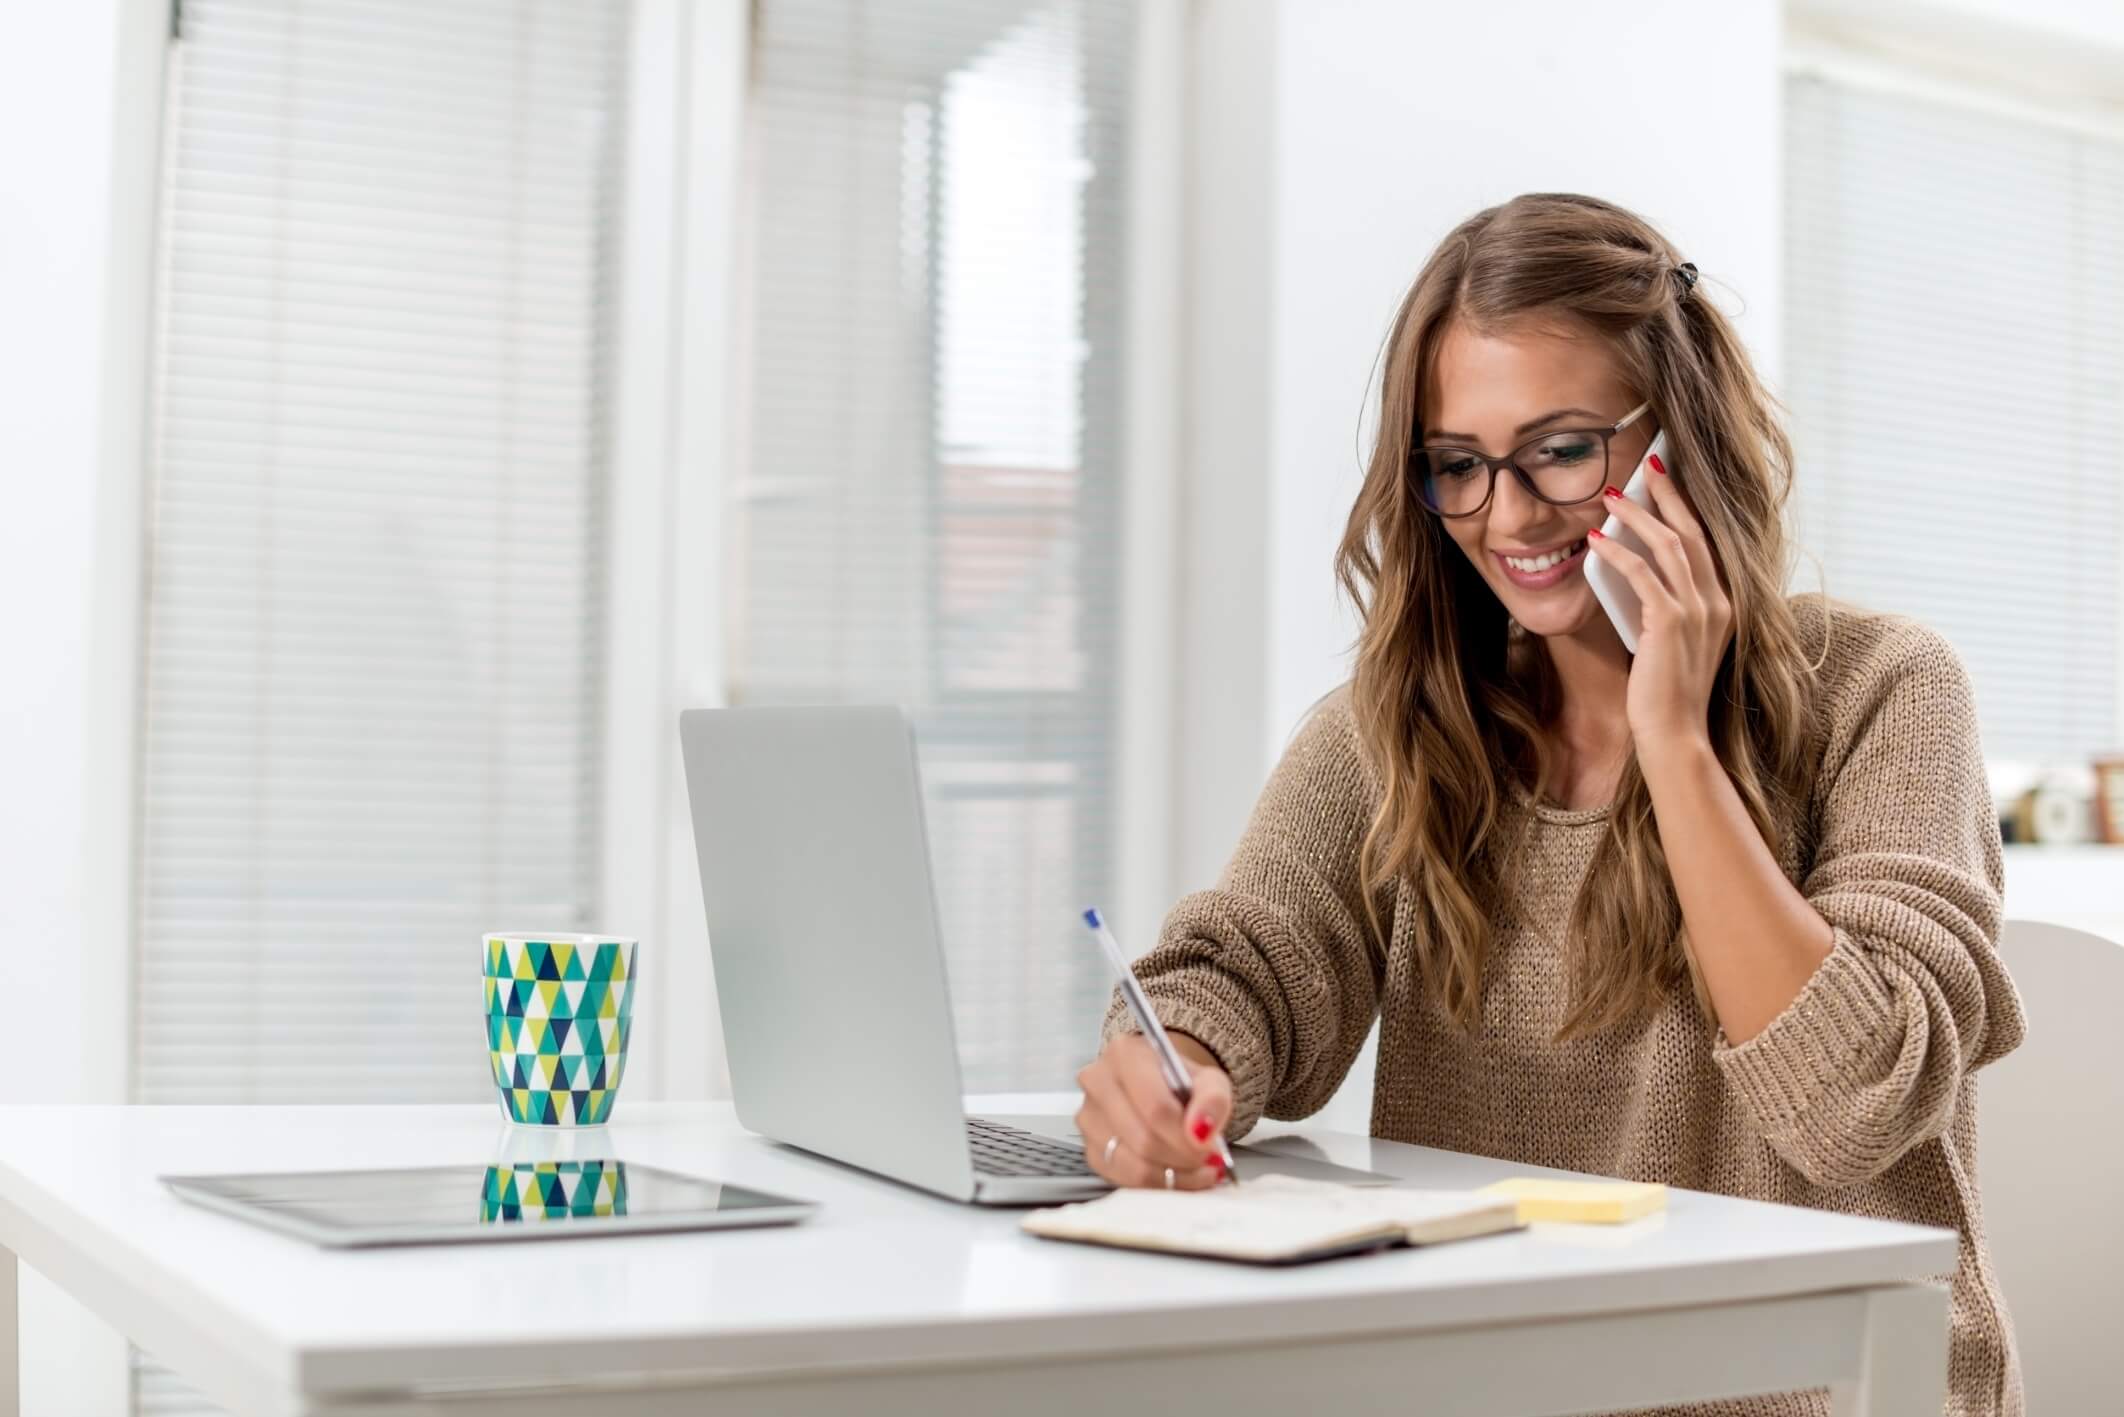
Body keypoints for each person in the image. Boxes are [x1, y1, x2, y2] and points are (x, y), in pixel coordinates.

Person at [1073, 192, 2025, 1417]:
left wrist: (1672, 740)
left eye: (1563, 448)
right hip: (1502, 1382)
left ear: (1682, 436)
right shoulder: (1403, 726)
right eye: (1457, 466)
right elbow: (1247, 964)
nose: (1508, 516)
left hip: (1815, 1390)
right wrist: (1176, 1065)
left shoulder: (1886, 690)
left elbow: (1852, 1106)